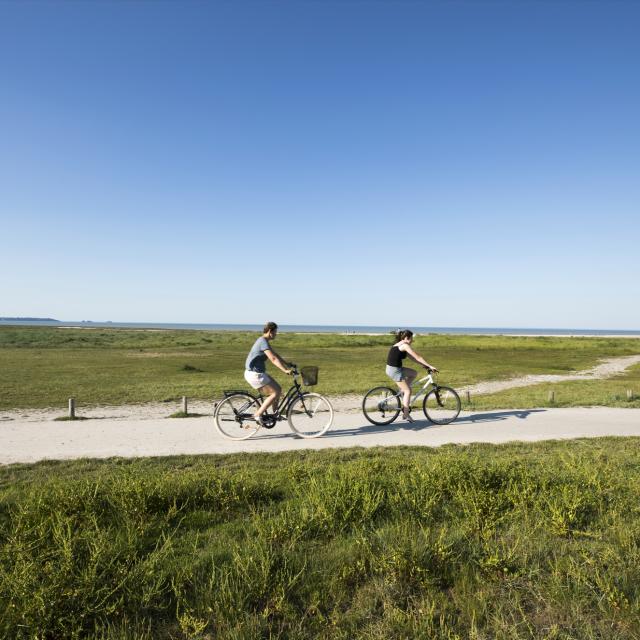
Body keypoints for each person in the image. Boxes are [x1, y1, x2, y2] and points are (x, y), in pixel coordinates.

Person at [244, 322, 292, 426]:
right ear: (270, 331)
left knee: (278, 389)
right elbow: (273, 358)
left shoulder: (264, 341)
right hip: (254, 374)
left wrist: (287, 363)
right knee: (274, 393)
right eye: (275, 332)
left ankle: (275, 414)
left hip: (258, 373)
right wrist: (285, 370)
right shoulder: (262, 341)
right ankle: (257, 415)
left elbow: (275, 355)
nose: (276, 334)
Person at [386, 329, 438, 422]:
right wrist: (430, 366)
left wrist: (424, 365)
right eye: (411, 339)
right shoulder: (405, 345)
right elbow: (418, 357)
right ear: (406, 338)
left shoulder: (400, 344)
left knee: (414, 373)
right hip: (394, 371)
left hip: (395, 368)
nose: (412, 341)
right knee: (408, 391)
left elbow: (413, 358)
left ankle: (403, 390)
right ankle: (406, 415)